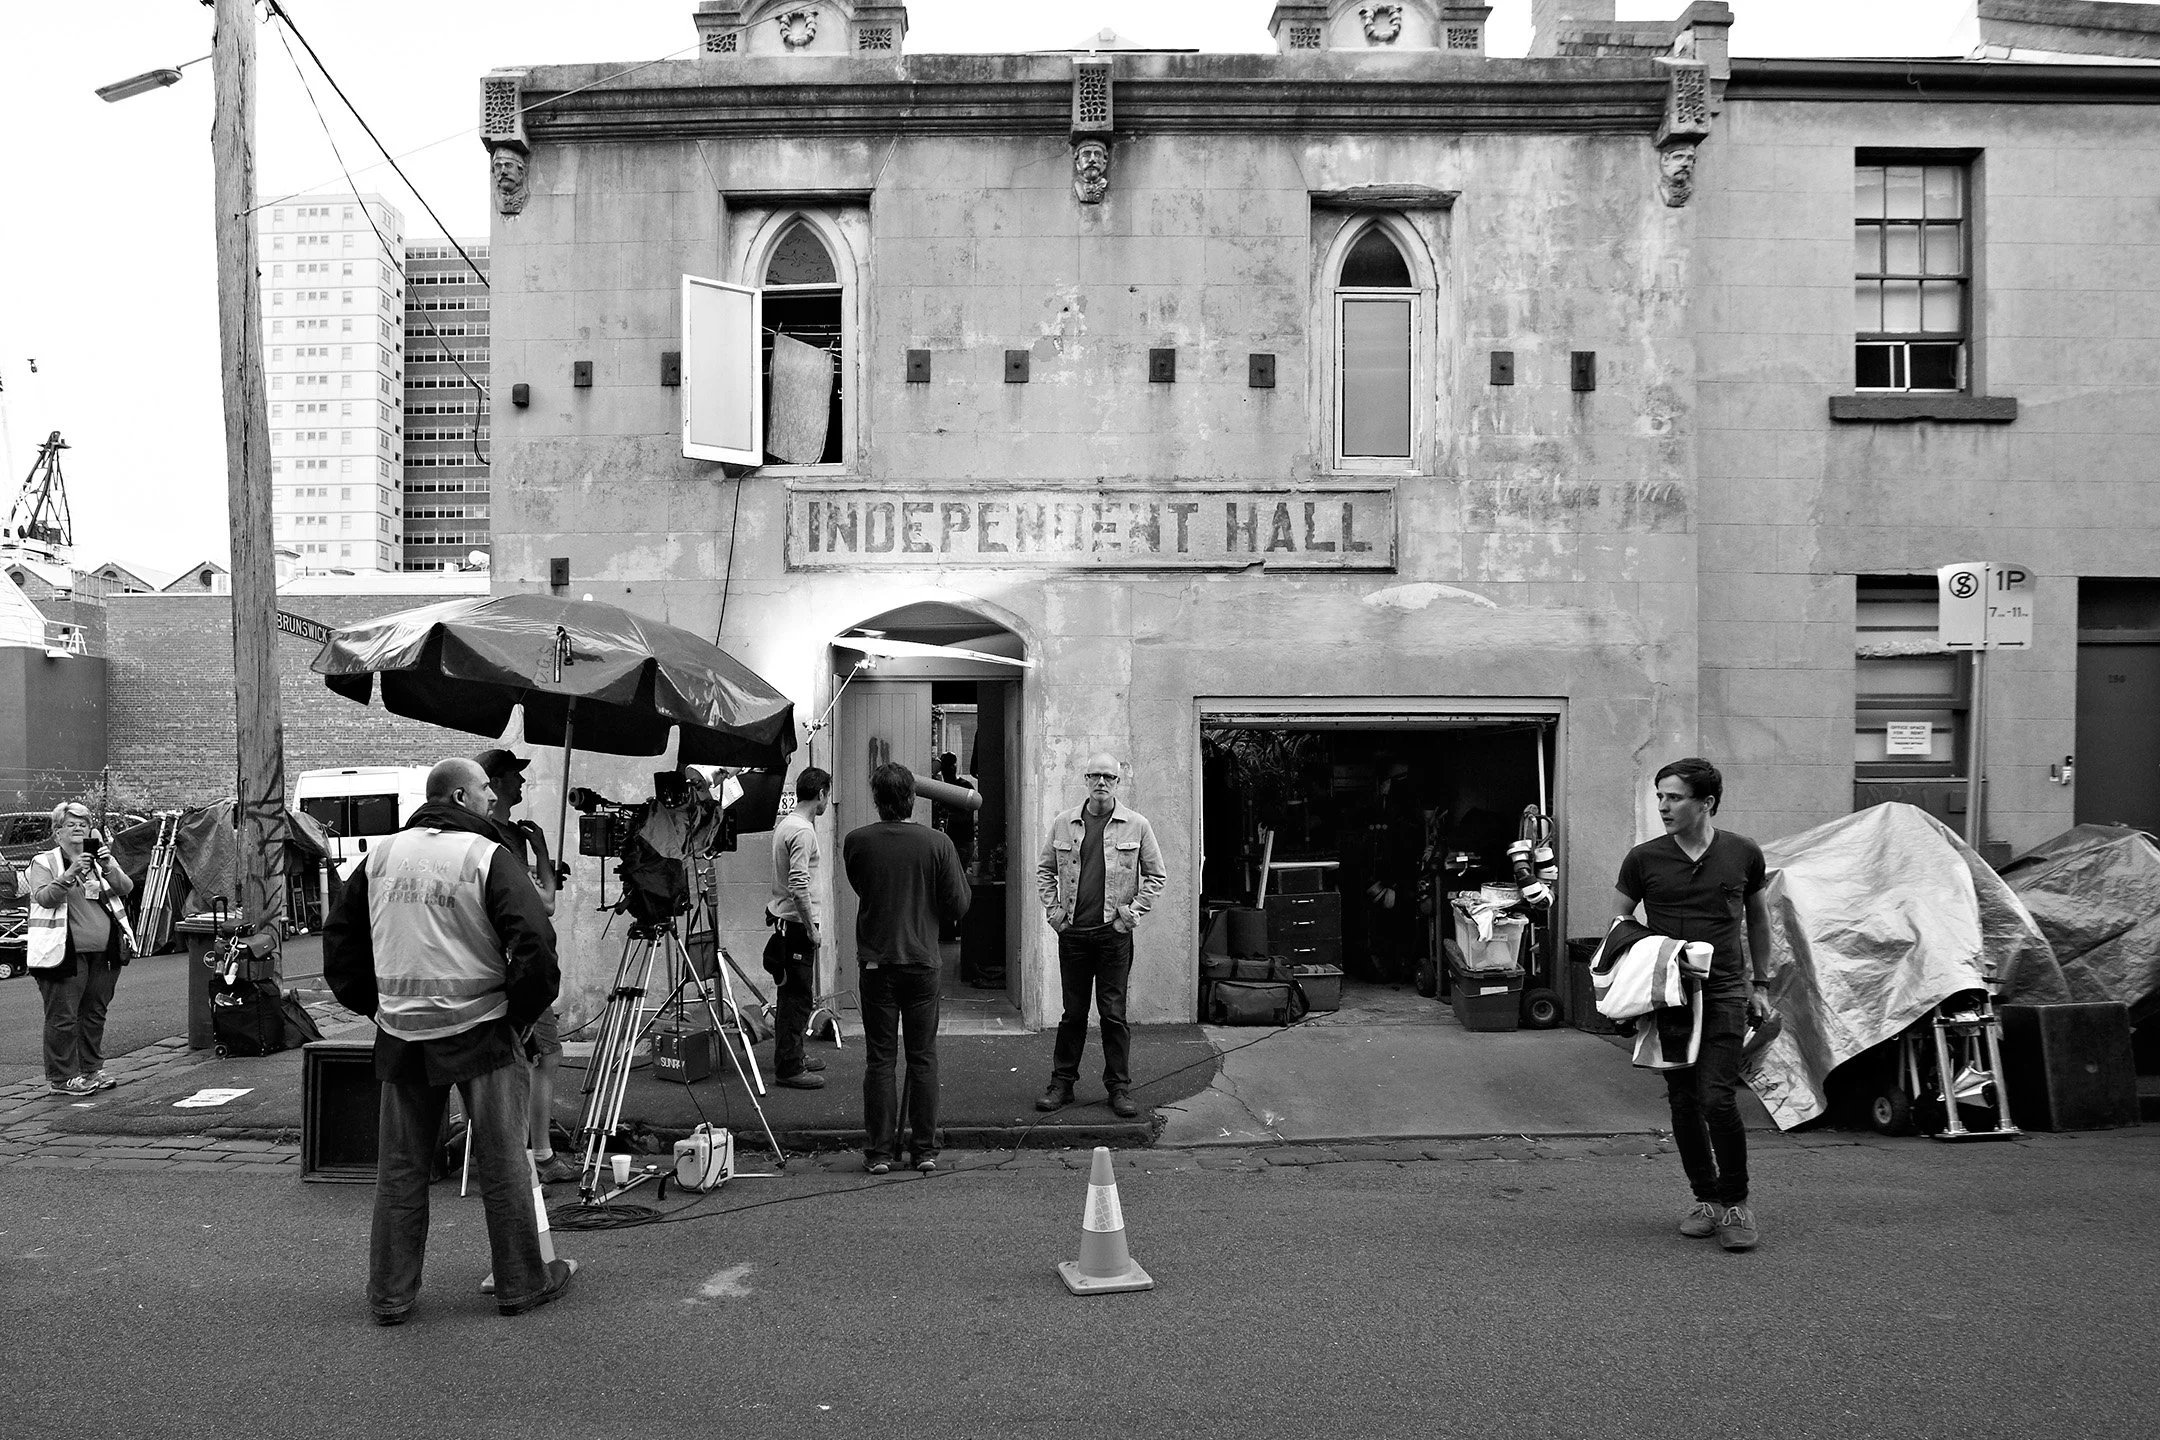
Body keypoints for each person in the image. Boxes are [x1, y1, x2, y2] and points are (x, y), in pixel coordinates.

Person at [324, 757, 575, 1323]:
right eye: (486, 789)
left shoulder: (380, 856)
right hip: (482, 1029)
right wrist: (521, 1015)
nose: (493, 798)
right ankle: (521, 1283)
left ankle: (390, 1296)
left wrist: (380, 1006)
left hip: (402, 1034)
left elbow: (340, 946)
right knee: (505, 1160)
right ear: (460, 797)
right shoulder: (486, 856)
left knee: (402, 1168)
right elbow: (536, 940)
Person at [1611, 757, 1773, 1253]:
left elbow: (1759, 922)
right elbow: (1619, 919)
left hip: (1723, 990)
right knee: (1683, 1100)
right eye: (1659, 796)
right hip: (1668, 996)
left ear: (1706, 803)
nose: (1663, 806)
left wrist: (1760, 984)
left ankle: (1736, 1202)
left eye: (1674, 797)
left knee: (1717, 1099)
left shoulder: (1742, 854)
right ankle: (1705, 1199)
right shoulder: (1644, 859)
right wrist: (1657, 954)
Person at [842, 762, 970, 1175]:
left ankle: (879, 1152)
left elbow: (861, 886)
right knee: (923, 1057)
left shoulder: (857, 842)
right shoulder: (937, 844)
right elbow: (958, 905)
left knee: (880, 1059)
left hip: (877, 963)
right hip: (921, 960)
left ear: (876, 799)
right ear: (913, 799)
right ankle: (924, 1150)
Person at [1034, 752, 1168, 1119]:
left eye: (1108, 777)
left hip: (1114, 935)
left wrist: (1131, 915)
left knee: (1113, 1014)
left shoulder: (1137, 825)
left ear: (1118, 782)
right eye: (1095, 775)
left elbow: (1157, 876)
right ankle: (1061, 1084)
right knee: (1073, 1013)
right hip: (1074, 934)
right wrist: (1055, 913)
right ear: (1085, 779)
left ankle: (1119, 1088)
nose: (1101, 783)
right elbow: (1045, 869)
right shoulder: (1065, 823)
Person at [475, 747, 576, 1185]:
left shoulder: (493, 834)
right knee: (545, 1057)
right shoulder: (502, 839)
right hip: (519, 966)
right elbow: (546, 905)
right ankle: (541, 1156)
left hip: (493, 965)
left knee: (496, 1060)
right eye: (515, 776)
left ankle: (495, 1150)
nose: (522, 783)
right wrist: (541, 852)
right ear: (493, 784)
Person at [24, 801, 136, 1097]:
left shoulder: (99, 861)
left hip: (104, 952)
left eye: (83, 824)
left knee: (94, 1013)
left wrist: (108, 865)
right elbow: (44, 898)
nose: (78, 829)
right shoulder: (44, 862)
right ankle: (63, 1078)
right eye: (71, 824)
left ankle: (90, 1070)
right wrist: (71, 872)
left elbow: (125, 888)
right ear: (57, 832)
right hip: (62, 953)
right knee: (63, 1017)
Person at [764, 766, 832, 1090]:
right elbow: (798, 883)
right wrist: (812, 929)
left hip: (785, 923)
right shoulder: (803, 831)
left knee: (791, 994)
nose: (826, 802)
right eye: (826, 796)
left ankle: (793, 1056)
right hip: (796, 926)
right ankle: (790, 1068)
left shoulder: (786, 824)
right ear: (820, 794)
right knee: (797, 998)